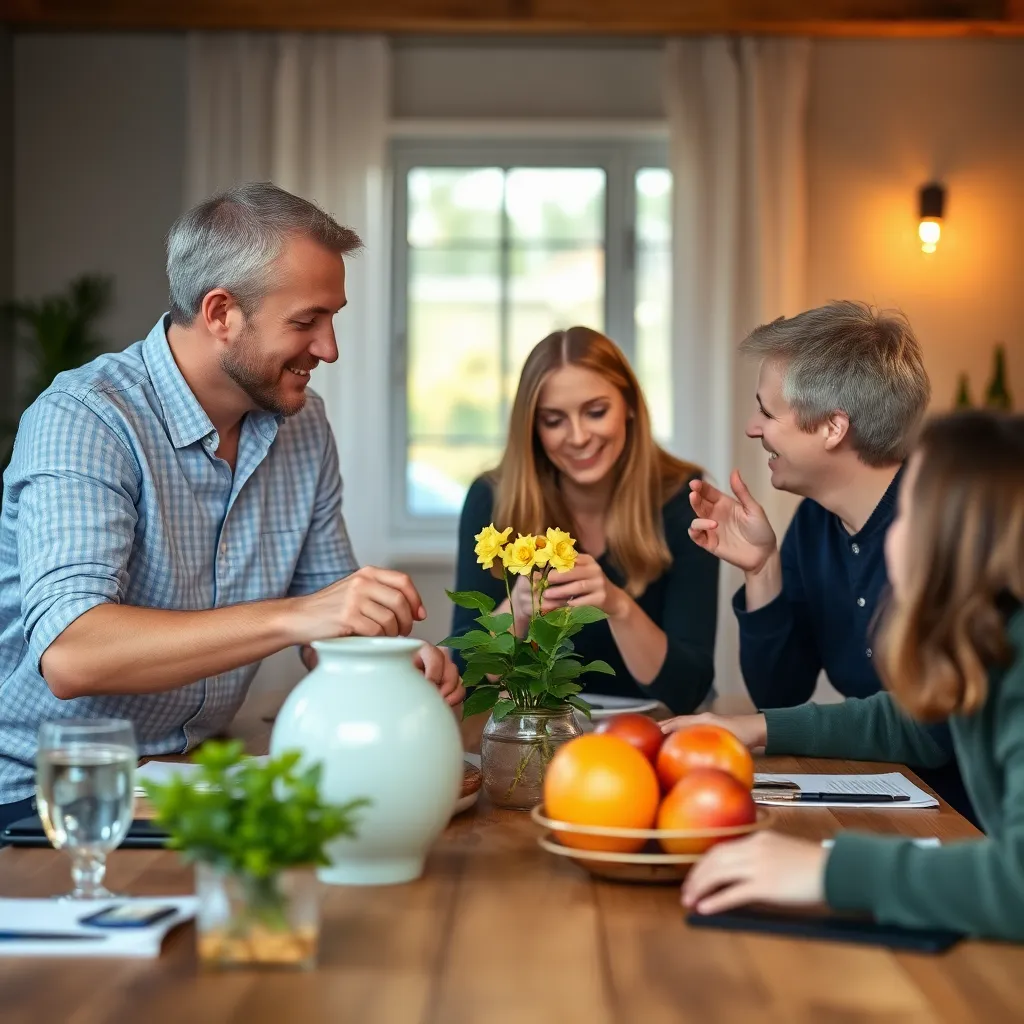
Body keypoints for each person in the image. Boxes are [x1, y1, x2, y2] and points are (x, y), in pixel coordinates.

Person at [0, 182, 463, 830]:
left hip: (193, 781)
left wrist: (390, 659)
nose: (329, 349)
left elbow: (329, 620)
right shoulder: (87, 419)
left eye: (334, 318)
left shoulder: (302, 427)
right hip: (43, 802)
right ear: (221, 313)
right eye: (306, 321)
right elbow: (74, 653)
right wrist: (296, 617)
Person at [666, 411, 1024, 941]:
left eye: (909, 514)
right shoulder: (993, 639)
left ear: (959, 538)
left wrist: (826, 871)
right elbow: (910, 722)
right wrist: (762, 727)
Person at [687, 301, 972, 817]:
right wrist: (760, 568)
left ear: (833, 428)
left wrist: (759, 729)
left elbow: (931, 728)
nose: (753, 427)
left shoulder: (947, 530)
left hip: (971, 824)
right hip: (887, 803)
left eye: (768, 412)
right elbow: (782, 691)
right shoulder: (816, 525)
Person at [451, 326, 719, 714]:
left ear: (628, 405)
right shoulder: (493, 499)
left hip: (650, 734)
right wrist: (517, 611)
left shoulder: (682, 499)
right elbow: (461, 679)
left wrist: (617, 604)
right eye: (554, 420)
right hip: (532, 735)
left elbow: (688, 690)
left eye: (595, 412)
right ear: (533, 428)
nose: (577, 437)